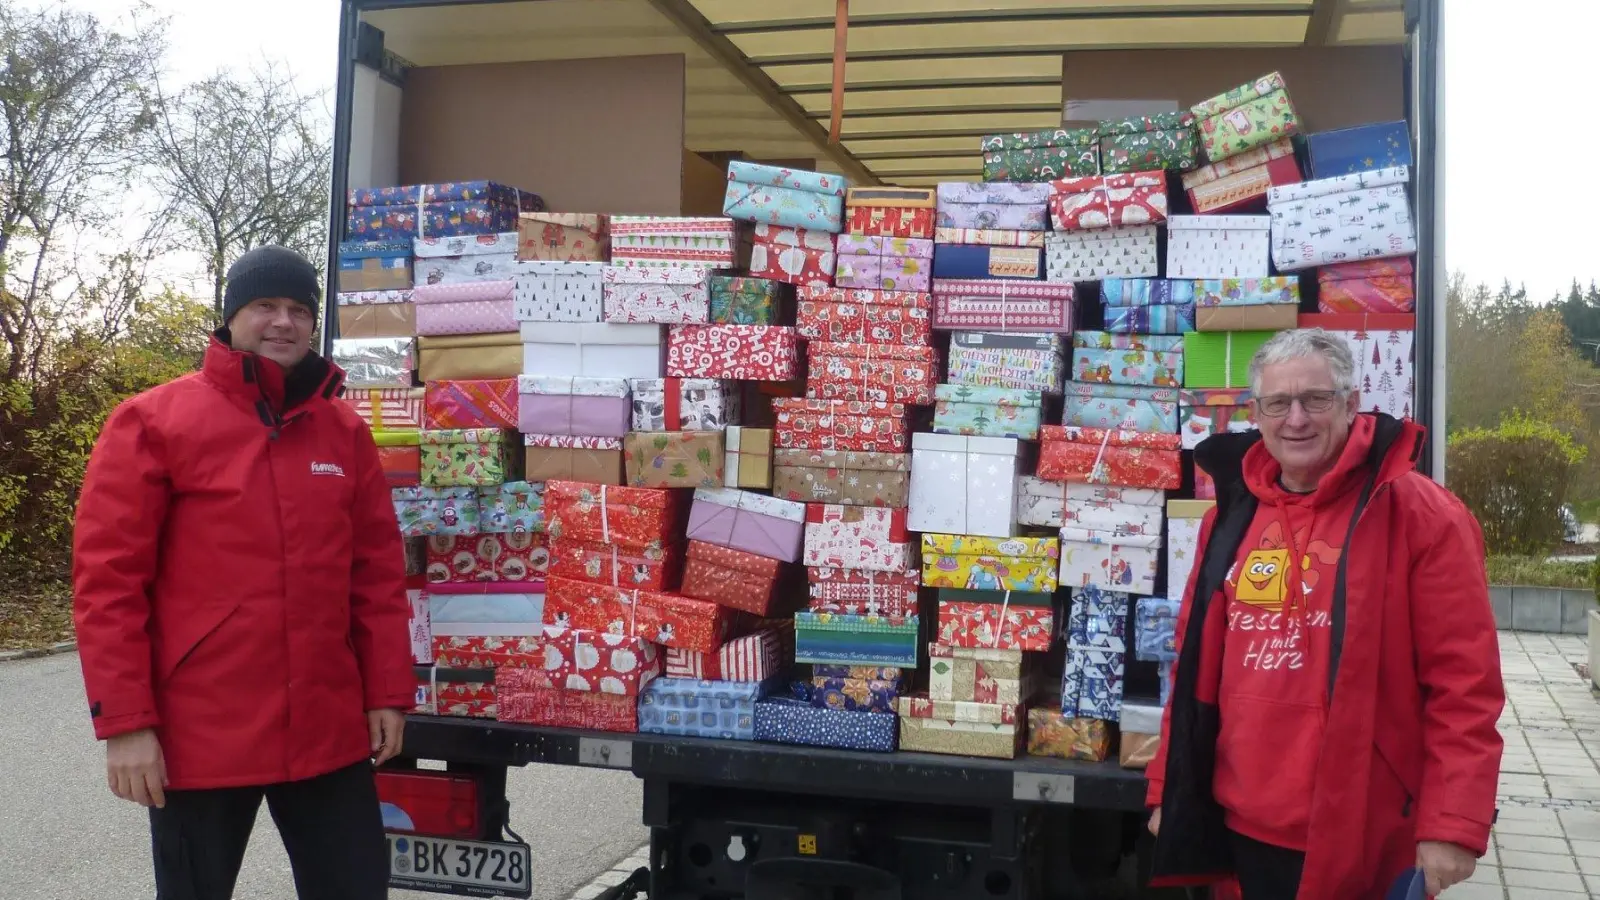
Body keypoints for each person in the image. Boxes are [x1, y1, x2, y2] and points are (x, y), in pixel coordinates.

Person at [71, 245, 416, 900]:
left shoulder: (343, 433)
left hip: (326, 732)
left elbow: (375, 576)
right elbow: (108, 585)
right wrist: (124, 725)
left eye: (298, 309)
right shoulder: (151, 423)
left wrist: (387, 694)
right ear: (231, 318)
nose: (283, 322)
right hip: (200, 739)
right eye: (265, 306)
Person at [1144, 328, 1504, 900]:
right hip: (1236, 829)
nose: (1297, 420)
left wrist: (1453, 823)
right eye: (1278, 403)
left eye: (1316, 399)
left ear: (1351, 403)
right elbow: (1190, 669)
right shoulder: (1229, 519)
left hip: (1361, 832)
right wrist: (1170, 787)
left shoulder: (1423, 517)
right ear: (1256, 414)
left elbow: (1465, 685)